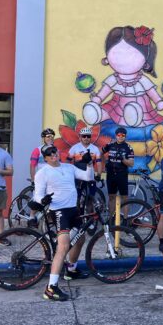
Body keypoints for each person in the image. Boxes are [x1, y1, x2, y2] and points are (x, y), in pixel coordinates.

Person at [34, 145, 94, 301]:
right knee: (63, 247)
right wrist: (43, 200)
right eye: (49, 154)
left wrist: (89, 164)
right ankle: (51, 288)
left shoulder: (69, 167)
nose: (53, 155)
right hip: (58, 211)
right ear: (45, 158)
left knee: (80, 239)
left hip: (73, 209)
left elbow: (88, 177)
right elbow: (37, 195)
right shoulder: (42, 173)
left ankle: (71, 270)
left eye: (55, 151)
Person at [68, 126, 104, 210]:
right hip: (78, 176)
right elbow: (67, 162)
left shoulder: (95, 149)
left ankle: (89, 216)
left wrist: (99, 175)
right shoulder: (75, 148)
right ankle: (77, 216)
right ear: (80, 137)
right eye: (84, 136)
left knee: (90, 198)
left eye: (88, 136)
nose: (86, 138)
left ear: (90, 137)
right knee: (76, 198)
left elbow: (99, 163)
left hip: (90, 175)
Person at [102, 127, 134, 216]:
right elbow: (100, 153)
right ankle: (111, 219)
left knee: (124, 198)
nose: (121, 137)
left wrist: (123, 159)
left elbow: (131, 163)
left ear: (125, 136)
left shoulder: (128, 148)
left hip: (122, 174)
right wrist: (104, 163)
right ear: (116, 135)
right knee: (111, 197)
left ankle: (125, 219)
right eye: (119, 135)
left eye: (123, 135)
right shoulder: (110, 145)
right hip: (111, 174)